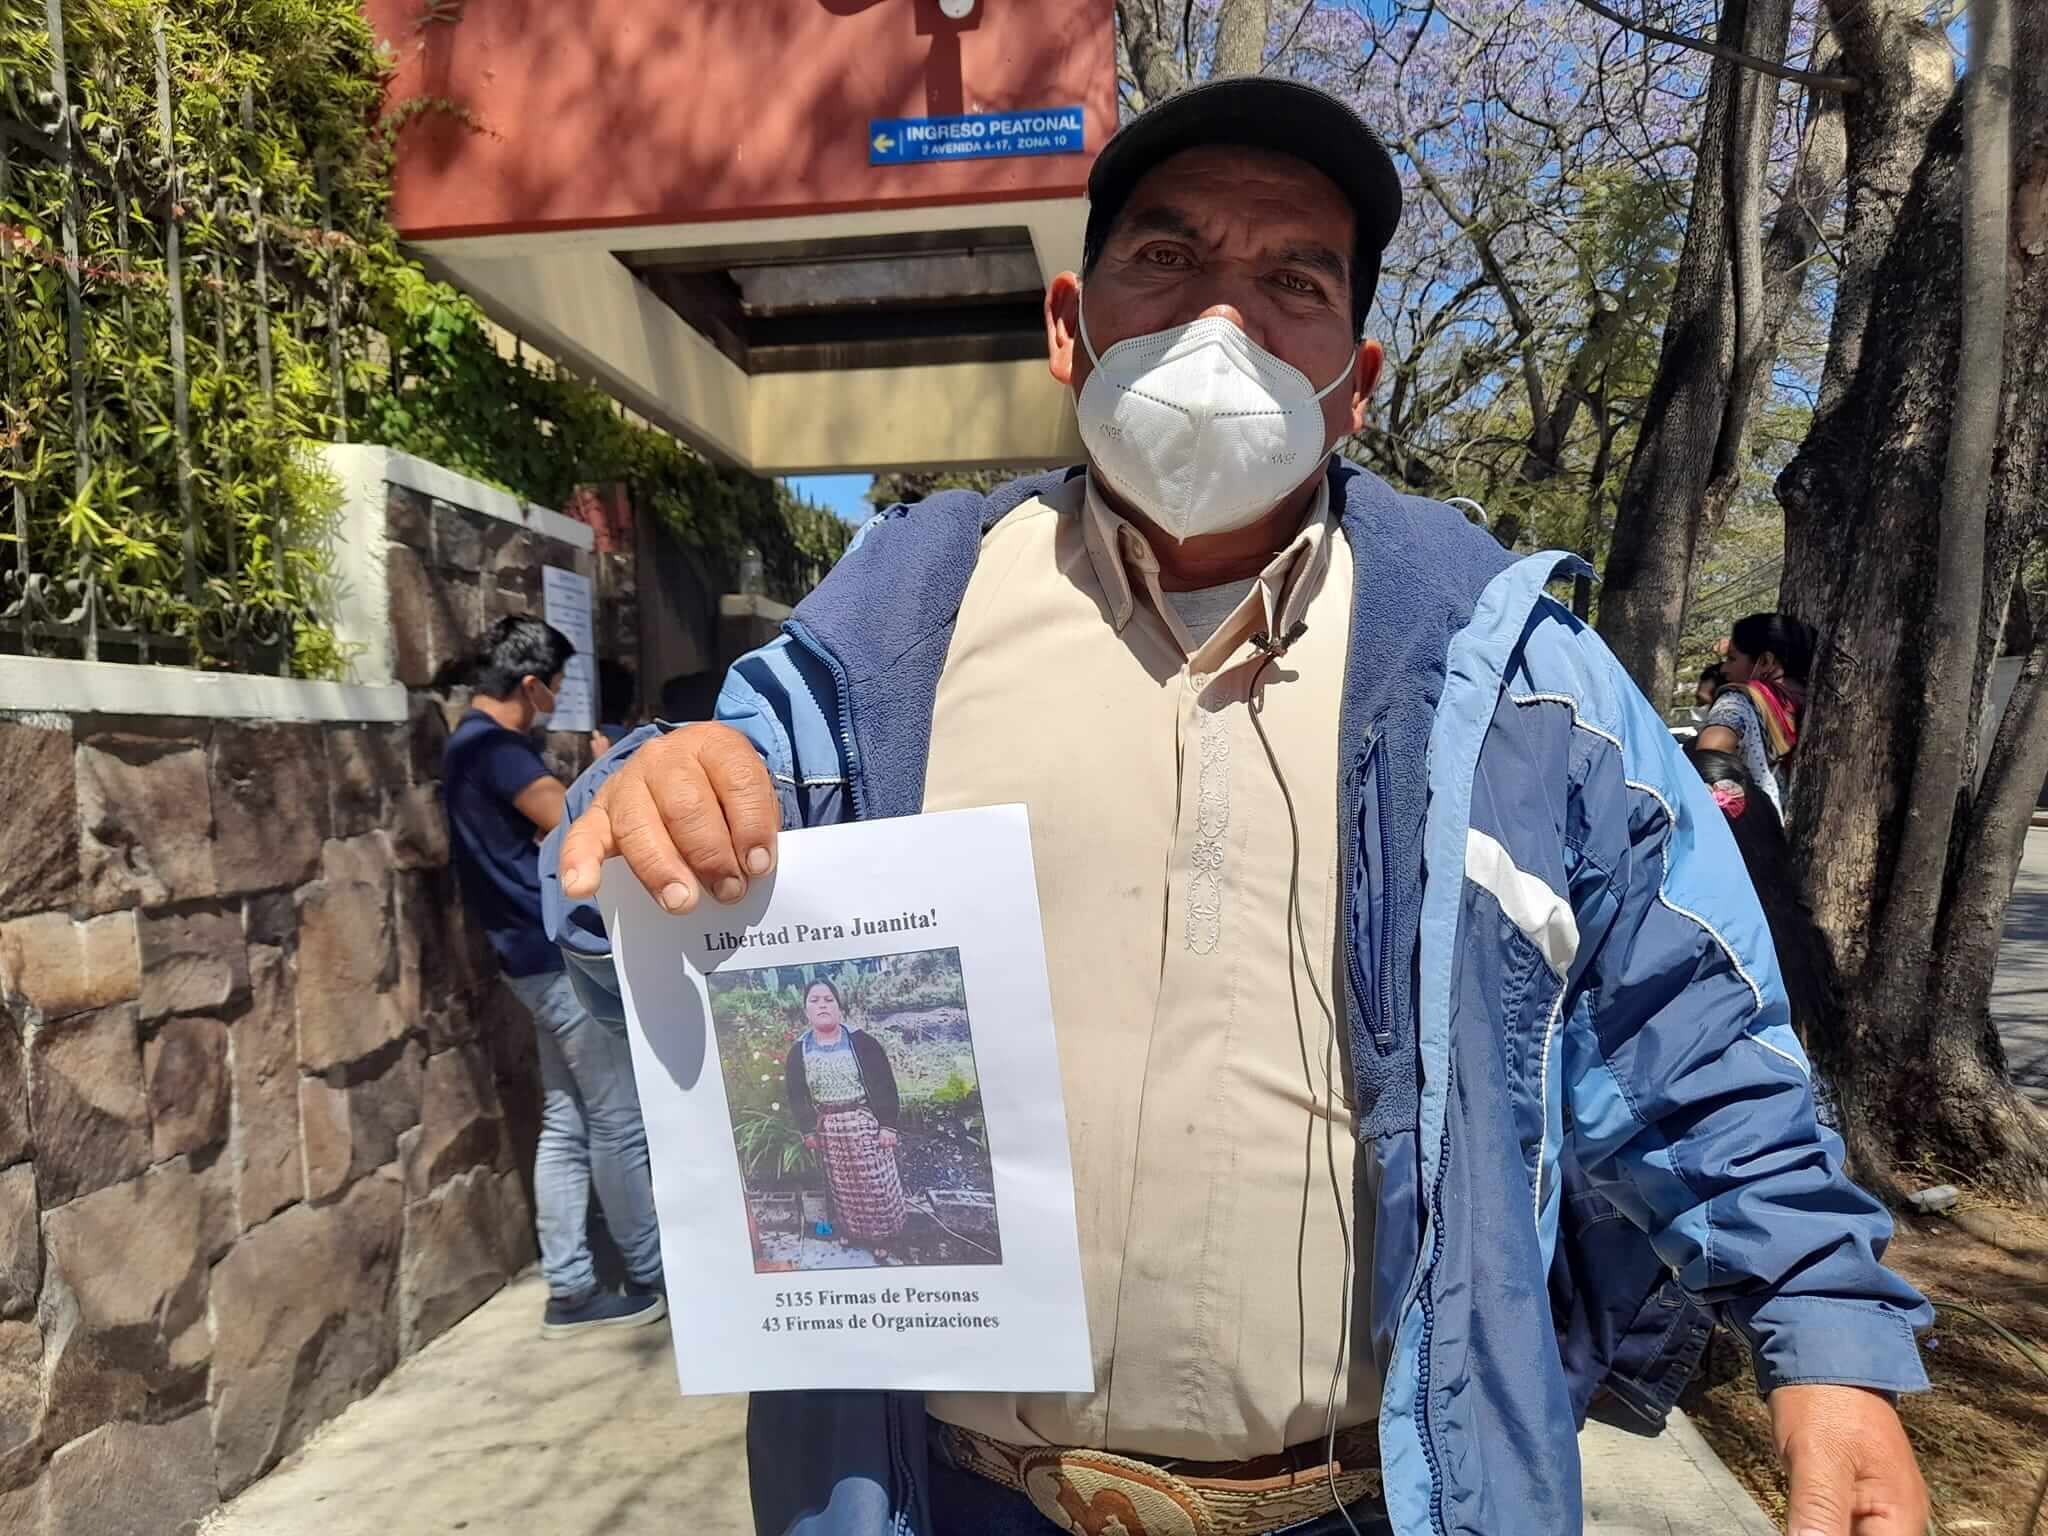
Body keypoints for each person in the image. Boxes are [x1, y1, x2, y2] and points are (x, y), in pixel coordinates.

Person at [542, 78, 1931, 1536]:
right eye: (1168, 259)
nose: (1223, 324)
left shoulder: (1521, 687)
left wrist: (1824, 1334)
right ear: (1070, 324)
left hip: (1371, 1501)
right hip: (948, 1498)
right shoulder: (884, 644)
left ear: (1360, 375)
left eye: (1293, 281)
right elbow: (634, 952)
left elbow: (1690, 1029)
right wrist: (651, 821)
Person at [440, 615, 667, 1338]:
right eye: (557, 687)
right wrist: (606, 769)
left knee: (569, 1121)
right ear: (531, 684)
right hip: (555, 963)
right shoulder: (499, 752)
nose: (558, 699)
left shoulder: (462, 747)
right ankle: (651, 1270)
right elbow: (579, 825)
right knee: (618, 1119)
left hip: (521, 963)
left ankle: (571, 1286)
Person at [783, 978, 906, 1255]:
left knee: (875, 1183)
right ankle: (852, 1232)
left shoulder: (862, 1042)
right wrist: (808, 1130)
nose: (822, 1005)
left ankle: (882, 1238)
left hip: (863, 1121)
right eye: (815, 1001)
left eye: (828, 999)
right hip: (828, 1125)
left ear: (839, 1006)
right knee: (842, 1187)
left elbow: (886, 1084)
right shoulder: (799, 1050)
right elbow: (796, 1094)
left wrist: (888, 1125)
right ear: (806, 1010)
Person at [1696, 611, 1815, 819]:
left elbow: (1708, 756)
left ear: (1766, 661)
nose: (1724, 668)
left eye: (1732, 658)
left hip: (1744, 840)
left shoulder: (1738, 702)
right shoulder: (1812, 708)